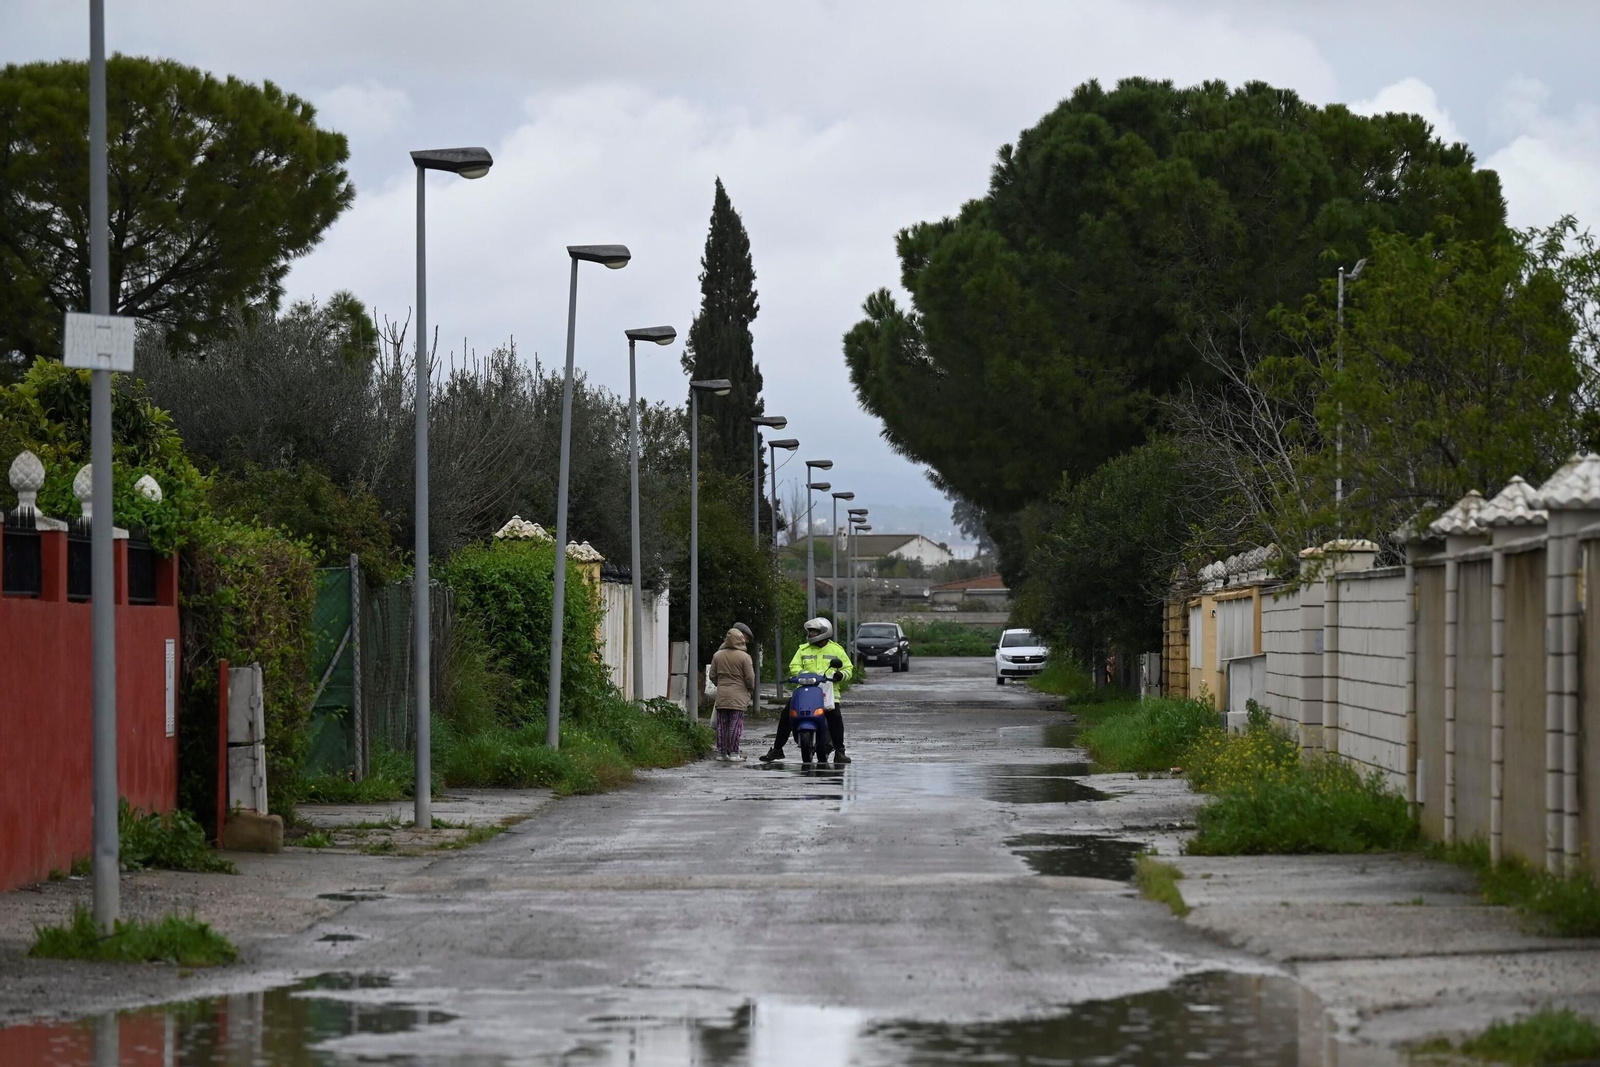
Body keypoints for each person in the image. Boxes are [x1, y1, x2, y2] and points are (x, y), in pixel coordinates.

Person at [759, 617, 854, 765]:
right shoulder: (803, 649)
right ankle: (777, 749)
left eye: (814, 632)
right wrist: (801, 674)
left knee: (835, 718)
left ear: (824, 632)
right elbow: (794, 666)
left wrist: (840, 675)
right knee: (787, 714)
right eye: (810, 632)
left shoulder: (836, 650)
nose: (810, 634)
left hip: (828, 693)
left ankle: (840, 752)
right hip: (805, 691)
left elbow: (848, 668)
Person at [710, 625, 756, 761]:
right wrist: (749, 688)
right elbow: (750, 678)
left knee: (722, 725)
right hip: (738, 696)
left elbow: (712, 675)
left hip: (722, 695)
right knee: (735, 725)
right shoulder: (745, 657)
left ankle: (721, 753)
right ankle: (734, 753)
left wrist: (720, 684)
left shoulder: (717, 655)